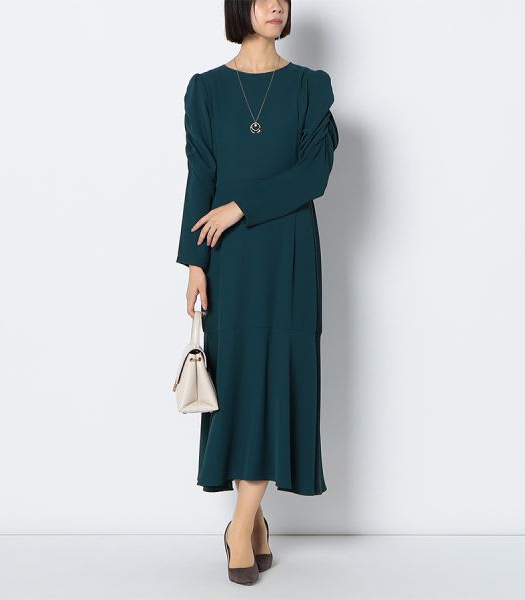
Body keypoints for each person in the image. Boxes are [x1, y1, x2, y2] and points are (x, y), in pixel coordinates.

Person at [175, 0, 339, 585]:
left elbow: (314, 174)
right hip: (229, 259)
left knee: (280, 377)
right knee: (242, 382)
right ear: (237, 7)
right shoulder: (205, 89)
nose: (276, 5)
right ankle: (254, 521)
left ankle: (240, 524)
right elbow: (201, 174)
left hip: (290, 255)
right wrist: (194, 262)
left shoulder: (310, 86)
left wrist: (241, 206)